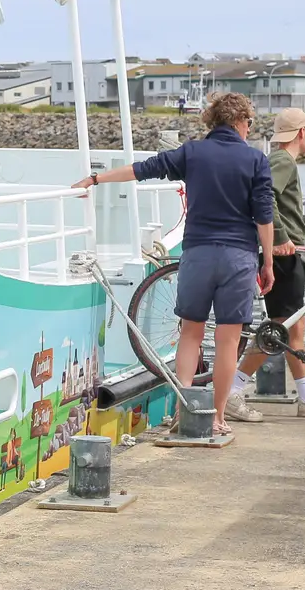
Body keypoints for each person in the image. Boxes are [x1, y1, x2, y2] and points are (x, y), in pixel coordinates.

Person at [74, 92, 273, 434]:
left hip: (197, 254)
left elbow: (142, 170)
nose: (249, 129)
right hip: (238, 257)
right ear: (240, 122)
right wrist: (267, 261)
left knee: (191, 333)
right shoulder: (255, 160)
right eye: (250, 122)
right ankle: (219, 416)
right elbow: (264, 215)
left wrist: (95, 179)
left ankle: (185, 412)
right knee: (228, 339)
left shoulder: (192, 152)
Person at [227, 109, 305, 422]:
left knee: (293, 327)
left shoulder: (278, 160)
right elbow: (265, 199)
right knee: (280, 330)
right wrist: (279, 238)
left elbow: (288, 212)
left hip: (284, 253)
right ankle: (233, 390)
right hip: (282, 257)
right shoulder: (283, 161)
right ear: (302, 132)